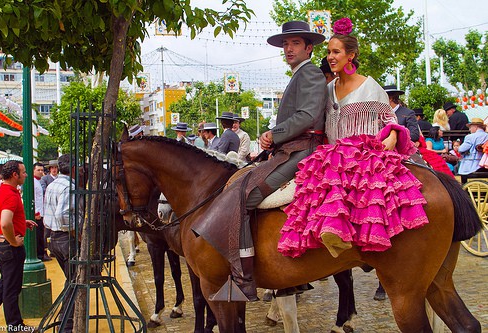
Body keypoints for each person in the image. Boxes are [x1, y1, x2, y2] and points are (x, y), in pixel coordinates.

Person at [279, 18, 428, 259]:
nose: (330, 57)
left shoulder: (370, 87)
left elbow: (390, 120)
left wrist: (390, 137)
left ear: (351, 56)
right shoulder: (327, 89)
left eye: (336, 52)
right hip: (333, 154)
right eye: (328, 52)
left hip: (363, 154)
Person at [208, 20, 328, 302]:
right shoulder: (298, 74)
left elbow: (309, 115)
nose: (288, 48)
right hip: (290, 150)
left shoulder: (309, 73)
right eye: (286, 44)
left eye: (295, 43)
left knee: (246, 196)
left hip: (302, 152)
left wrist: (274, 134)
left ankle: (245, 278)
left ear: (309, 48)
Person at [0, 160, 37, 331]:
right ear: (15, 175)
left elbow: (6, 218)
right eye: (23, 172)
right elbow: (5, 223)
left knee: (5, 283)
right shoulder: (10, 194)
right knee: (11, 288)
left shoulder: (1, 191)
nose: (25, 175)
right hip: (9, 247)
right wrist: (14, 241)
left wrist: (21, 223)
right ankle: (15, 326)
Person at [43, 154, 80, 332]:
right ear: (73, 169)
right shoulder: (67, 187)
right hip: (66, 239)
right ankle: (67, 325)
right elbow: (62, 215)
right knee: (75, 282)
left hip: (54, 238)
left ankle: (65, 318)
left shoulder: (53, 184)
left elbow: (48, 215)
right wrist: (76, 232)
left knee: (71, 279)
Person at [457, 118, 488, 183]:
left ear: (475, 127)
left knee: (457, 168)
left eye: (470, 127)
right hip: (485, 165)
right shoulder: (486, 136)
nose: (469, 129)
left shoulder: (470, 137)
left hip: (471, 167)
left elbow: (461, 149)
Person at [34, 162, 52, 262]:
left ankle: (41, 253)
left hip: (41, 212)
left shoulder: (38, 181)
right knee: (38, 235)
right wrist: (35, 212)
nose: (41, 172)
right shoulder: (32, 182)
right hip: (37, 213)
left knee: (41, 234)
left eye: (42, 170)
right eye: (38, 170)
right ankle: (39, 255)